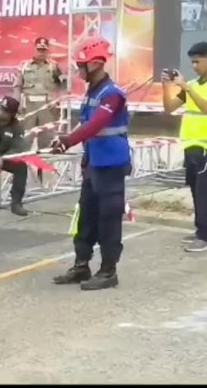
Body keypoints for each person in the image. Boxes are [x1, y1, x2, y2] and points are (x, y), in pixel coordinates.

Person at [50, 36, 130, 291]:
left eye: (81, 65)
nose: (78, 70)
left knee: (109, 218)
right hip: (94, 163)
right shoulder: (93, 92)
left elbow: (95, 125)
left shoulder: (112, 94)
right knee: (86, 216)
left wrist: (68, 141)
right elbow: (87, 127)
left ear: (94, 64)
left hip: (111, 164)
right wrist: (75, 146)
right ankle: (81, 265)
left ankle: (108, 271)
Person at [161, 41, 207, 252]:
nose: (194, 66)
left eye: (198, 61)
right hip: (192, 145)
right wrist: (167, 86)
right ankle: (200, 230)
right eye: (192, 62)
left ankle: (205, 236)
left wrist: (186, 87)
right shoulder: (193, 85)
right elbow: (169, 108)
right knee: (195, 191)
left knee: (205, 192)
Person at [14, 37, 65, 150]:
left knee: (46, 141)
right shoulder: (25, 66)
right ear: (35, 49)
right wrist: (16, 104)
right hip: (28, 108)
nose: (41, 53)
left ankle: (45, 161)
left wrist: (57, 102)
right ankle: (23, 161)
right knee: (25, 140)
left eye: (44, 50)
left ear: (47, 51)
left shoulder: (54, 66)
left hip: (47, 109)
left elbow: (63, 86)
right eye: (39, 50)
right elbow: (17, 86)